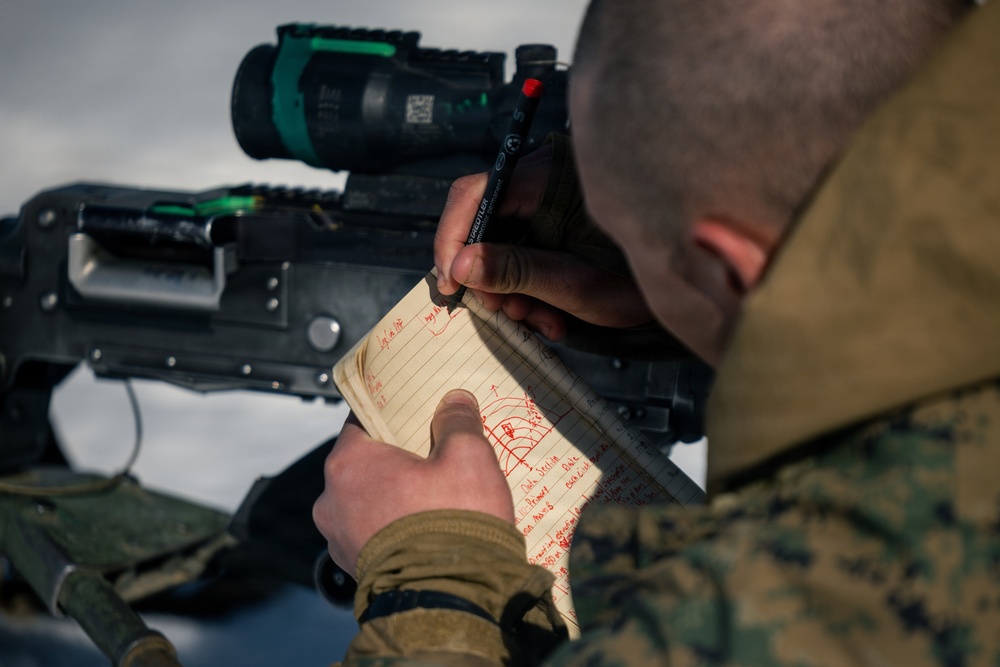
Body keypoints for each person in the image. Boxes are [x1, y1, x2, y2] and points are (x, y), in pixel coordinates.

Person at [313, 0, 1000, 663]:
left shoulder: (797, 602)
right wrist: (695, 287)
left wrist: (435, 583)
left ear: (725, 268)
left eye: (627, 241)